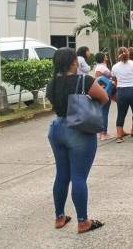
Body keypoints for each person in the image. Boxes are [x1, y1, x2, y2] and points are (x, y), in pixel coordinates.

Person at [46, 47, 108, 234]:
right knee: (79, 177)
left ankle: (59, 217)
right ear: (74, 62)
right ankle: (83, 222)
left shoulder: (52, 83)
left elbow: (56, 103)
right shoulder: (84, 80)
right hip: (78, 131)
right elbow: (104, 98)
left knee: (62, 175)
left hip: (57, 129)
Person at [112, 47, 133, 142]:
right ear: (128, 53)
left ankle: (119, 136)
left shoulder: (115, 67)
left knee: (121, 114)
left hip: (121, 91)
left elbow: (114, 80)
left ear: (118, 54)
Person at [94, 52, 113, 141]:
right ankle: (103, 133)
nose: (106, 56)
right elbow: (98, 80)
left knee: (102, 112)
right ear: (102, 58)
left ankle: (100, 132)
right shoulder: (101, 67)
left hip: (103, 91)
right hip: (105, 91)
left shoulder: (100, 66)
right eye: (105, 56)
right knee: (104, 112)